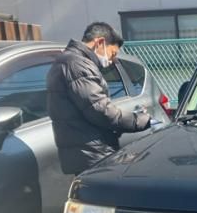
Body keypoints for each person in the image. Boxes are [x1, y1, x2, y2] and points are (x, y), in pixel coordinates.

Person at [47, 22, 151, 175]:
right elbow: (100, 110)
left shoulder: (69, 61)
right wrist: (140, 120)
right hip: (92, 152)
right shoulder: (78, 65)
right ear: (100, 42)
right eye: (113, 53)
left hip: (86, 149)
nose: (113, 60)